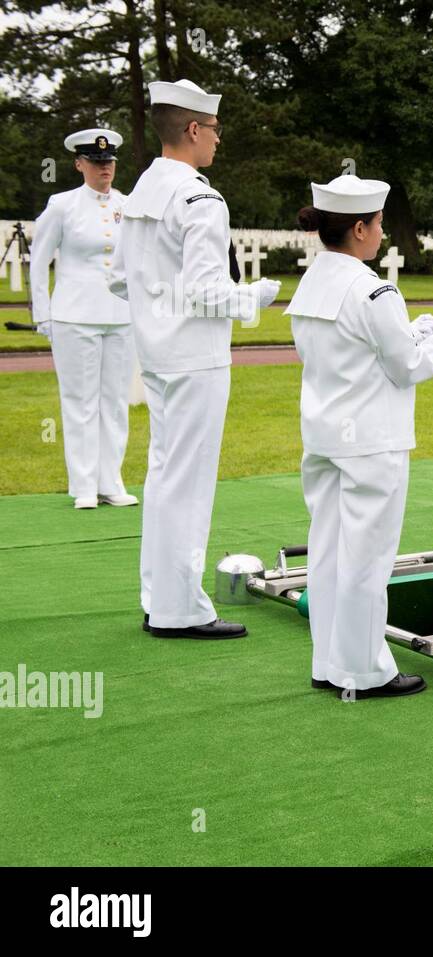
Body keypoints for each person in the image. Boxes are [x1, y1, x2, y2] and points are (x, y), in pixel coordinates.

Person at [287, 174, 433, 698]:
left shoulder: (312, 281)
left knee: (326, 552)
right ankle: (365, 671)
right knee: (366, 558)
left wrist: (412, 331)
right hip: (372, 439)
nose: (382, 230)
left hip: (325, 434)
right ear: (361, 228)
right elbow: (409, 367)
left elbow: (352, 352)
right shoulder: (373, 288)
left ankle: (329, 662)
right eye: (378, 222)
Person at [110, 79, 279, 640]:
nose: (217, 140)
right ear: (191, 129)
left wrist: (157, 309)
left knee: (165, 476)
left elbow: (118, 281)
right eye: (212, 129)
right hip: (196, 357)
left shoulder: (140, 195)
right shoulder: (200, 197)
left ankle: (161, 599)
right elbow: (208, 291)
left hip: (156, 355)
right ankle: (180, 609)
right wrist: (251, 298)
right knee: (188, 483)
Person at [30, 128, 136, 510]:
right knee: (79, 401)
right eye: (95, 161)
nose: (104, 168)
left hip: (120, 315)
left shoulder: (128, 204)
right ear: (79, 164)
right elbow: (39, 263)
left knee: (115, 400)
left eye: (108, 162)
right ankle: (84, 485)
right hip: (74, 314)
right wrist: (42, 313)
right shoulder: (62, 205)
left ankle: (111, 480)